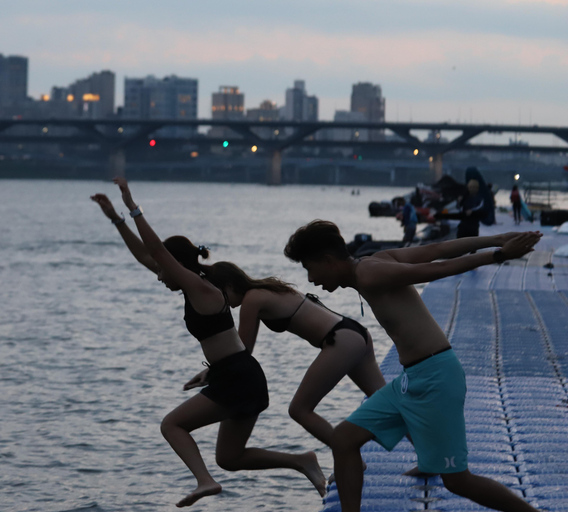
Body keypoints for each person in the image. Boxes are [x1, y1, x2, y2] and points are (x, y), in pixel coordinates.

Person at [90, 178, 326, 508]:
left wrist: (132, 206)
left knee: (172, 425)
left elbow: (156, 251)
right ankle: (303, 461)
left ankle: (204, 481)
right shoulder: (193, 287)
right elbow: (148, 257)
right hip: (235, 374)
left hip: (238, 377)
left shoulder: (203, 290)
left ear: (178, 266)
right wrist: (115, 219)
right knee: (230, 457)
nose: (158, 276)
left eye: (163, 271)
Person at [284, 220, 542, 512]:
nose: (311, 279)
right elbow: (437, 249)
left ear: (329, 261)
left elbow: (434, 268)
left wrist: (497, 254)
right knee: (344, 439)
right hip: (412, 380)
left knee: (458, 481)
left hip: (436, 377)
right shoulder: (374, 262)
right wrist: (500, 238)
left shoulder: (369, 272)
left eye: (309, 268)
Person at [184, 261, 386, 454]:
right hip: (354, 332)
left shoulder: (252, 299)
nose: (224, 304)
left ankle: (350, 458)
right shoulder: (267, 288)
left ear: (229, 285)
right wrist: (210, 371)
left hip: (340, 340)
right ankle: (419, 455)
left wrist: (212, 372)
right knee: (389, 404)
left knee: (299, 410)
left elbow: (241, 353)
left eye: (223, 296)